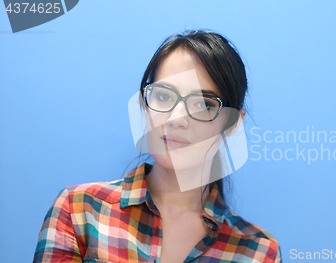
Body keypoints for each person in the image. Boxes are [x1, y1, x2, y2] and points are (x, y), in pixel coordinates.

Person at [33, 30, 281, 263]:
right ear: (144, 106)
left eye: (205, 104)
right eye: (163, 96)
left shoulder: (258, 252)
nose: (176, 118)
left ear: (232, 123)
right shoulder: (79, 211)